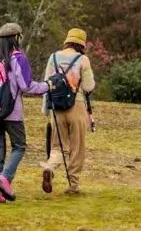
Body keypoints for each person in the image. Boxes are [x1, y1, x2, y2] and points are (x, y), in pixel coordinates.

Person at [0, 22, 49, 204]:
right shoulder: (18, 57)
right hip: (12, 112)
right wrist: (48, 86)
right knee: (19, 146)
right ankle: (4, 179)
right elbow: (27, 86)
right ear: (17, 37)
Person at [40, 28, 96, 196]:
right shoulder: (83, 59)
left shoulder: (53, 57)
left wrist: (46, 110)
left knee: (58, 146)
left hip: (57, 109)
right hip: (77, 106)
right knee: (77, 148)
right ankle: (73, 185)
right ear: (81, 44)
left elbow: (46, 84)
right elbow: (88, 86)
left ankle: (50, 167)